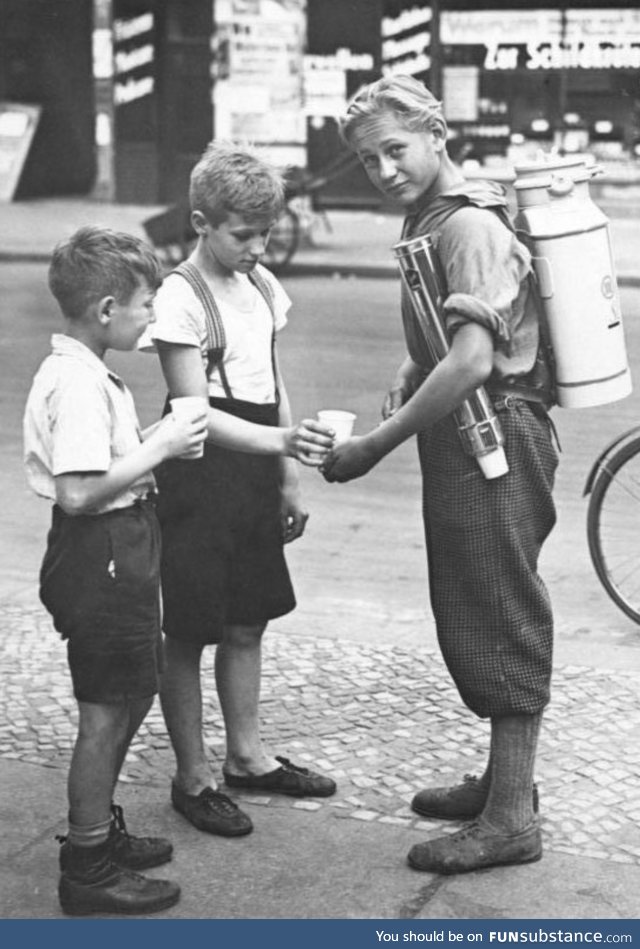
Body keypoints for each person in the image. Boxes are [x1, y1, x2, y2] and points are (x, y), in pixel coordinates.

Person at [324, 75, 559, 874]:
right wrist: (407, 360)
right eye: (367, 160)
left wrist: (375, 444)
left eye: (396, 149)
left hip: (496, 435)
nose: (384, 169)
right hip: (471, 434)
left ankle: (509, 822)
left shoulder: (468, 225)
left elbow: (470, 359)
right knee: (475, 598)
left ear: (437, 134)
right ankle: (507, 785)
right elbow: (448, 330)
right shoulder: (435, 217)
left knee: (499, 608)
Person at [145, 140, 337, 839]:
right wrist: (281, 444)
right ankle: (193, 775)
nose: (258, 246)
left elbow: (272, 379)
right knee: (189, 626)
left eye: (266, 232)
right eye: (243, 233)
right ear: (200, 221)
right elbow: (191, 411)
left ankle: (248, 756)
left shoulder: (259, 286)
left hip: (255, 465)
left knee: (247, 618)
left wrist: (287, 474)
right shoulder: (179, 297)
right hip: (197, 470)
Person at [22, 226, 210, 915]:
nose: (152, 318)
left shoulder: (85, 369)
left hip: (118, 544)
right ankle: (88, 865)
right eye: (145, 305)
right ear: (105, 309)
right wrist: (161, 444)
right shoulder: (76, 382)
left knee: (131, 689)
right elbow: (77, 490)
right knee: (106, 709)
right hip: (100, 548)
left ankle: (96, 824)